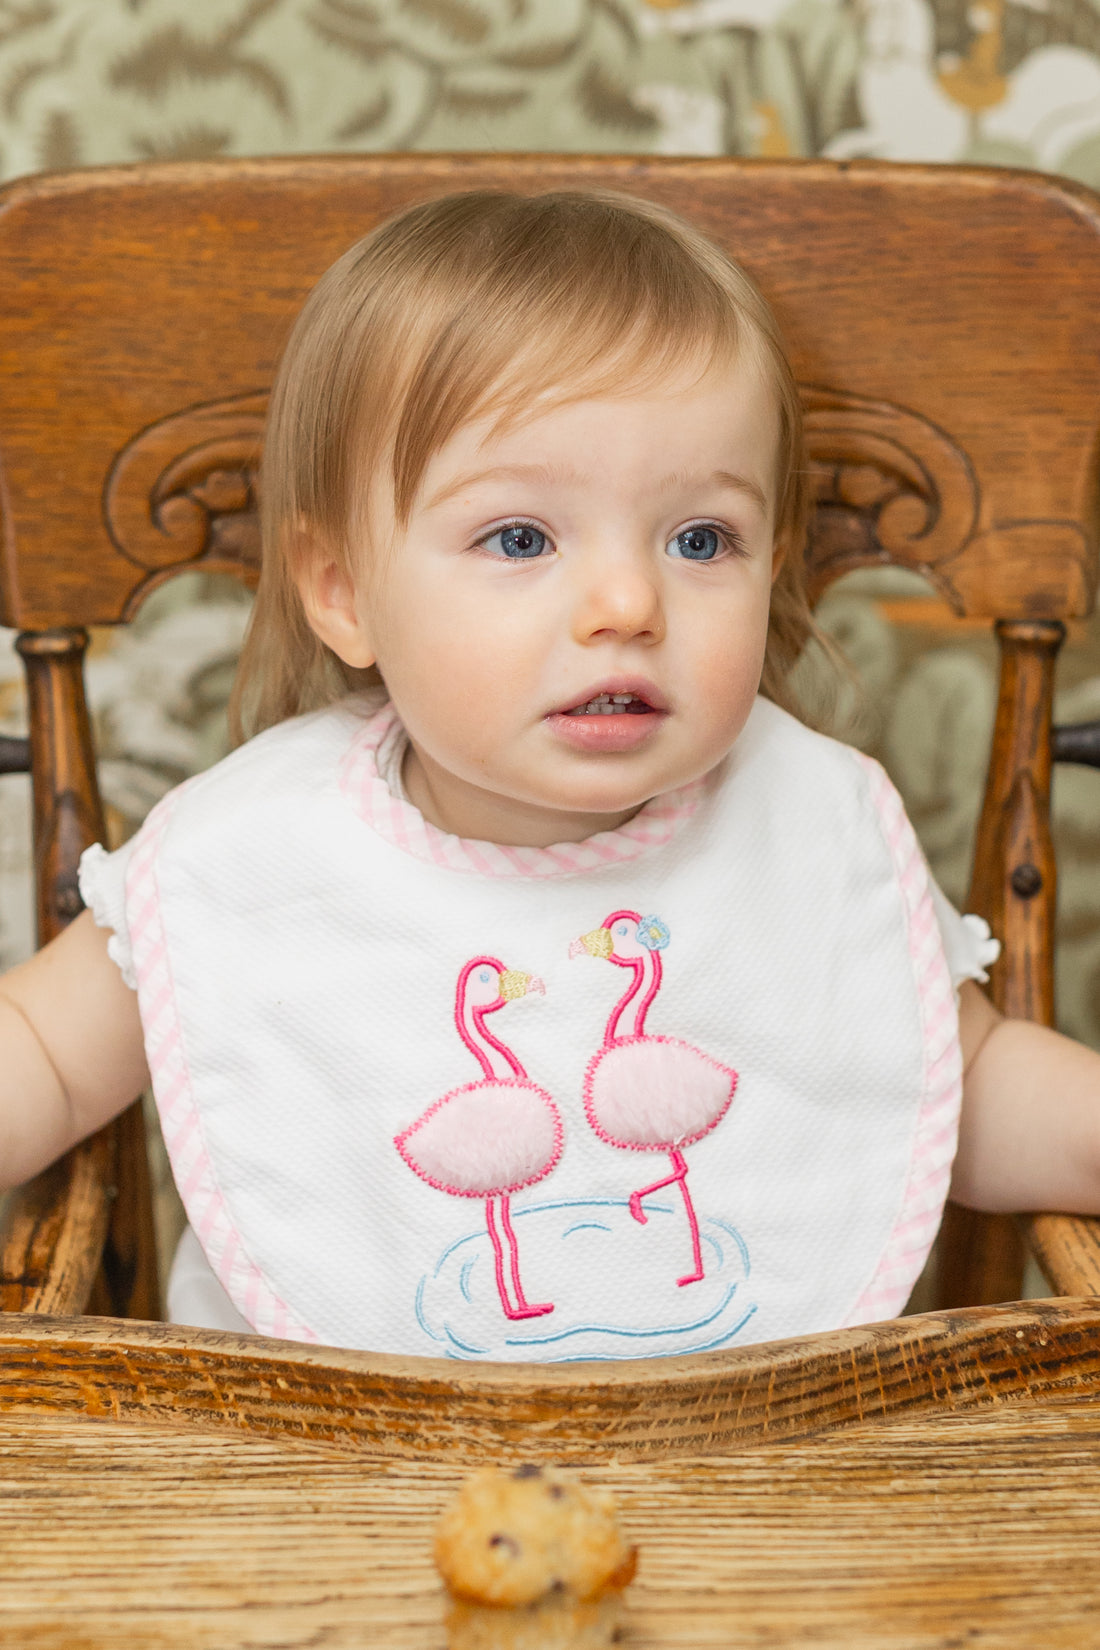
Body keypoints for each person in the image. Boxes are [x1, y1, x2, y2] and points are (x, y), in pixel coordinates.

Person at [2, 189, 1099, 1360]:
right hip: (316, 1482)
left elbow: (952, 1078)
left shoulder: (808, 822)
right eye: (520, 539)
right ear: (344, 592)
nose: (627, 604)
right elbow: (48, 1057)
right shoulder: (252, 857)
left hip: (766, 1471)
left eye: (699, 540)